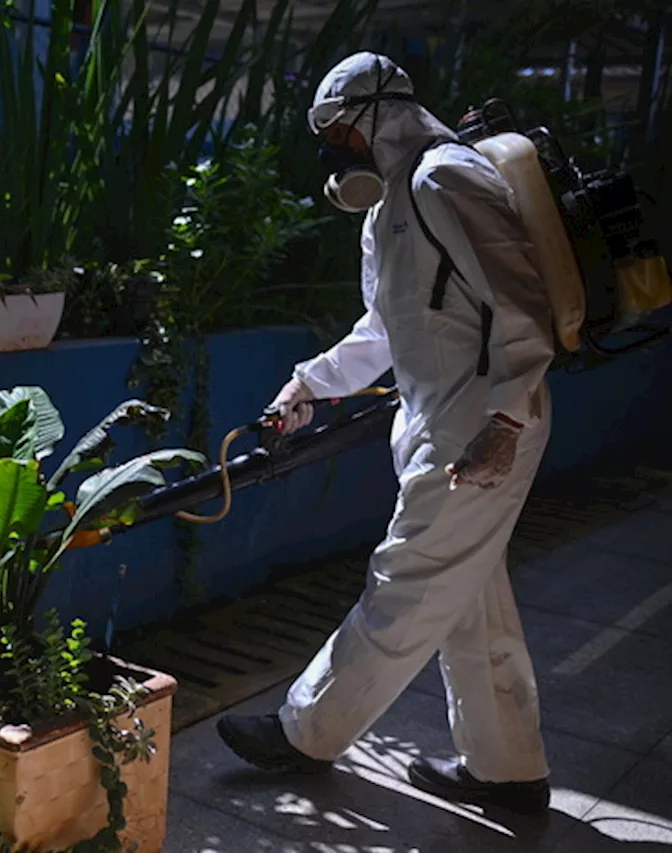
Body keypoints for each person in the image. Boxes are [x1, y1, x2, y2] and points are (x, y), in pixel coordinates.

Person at [215, 52, 559, 816]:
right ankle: (508, 768)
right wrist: (308, 383)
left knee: (404, 582)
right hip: (438, 421)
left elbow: (521, 301)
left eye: (340, 133)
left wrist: (505, 420)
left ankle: (306, 730)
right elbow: (385, 329)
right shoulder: (390, 206)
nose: (335, 151)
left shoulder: (445, 178)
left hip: (481, 424)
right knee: (468, 597)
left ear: (381, 114)